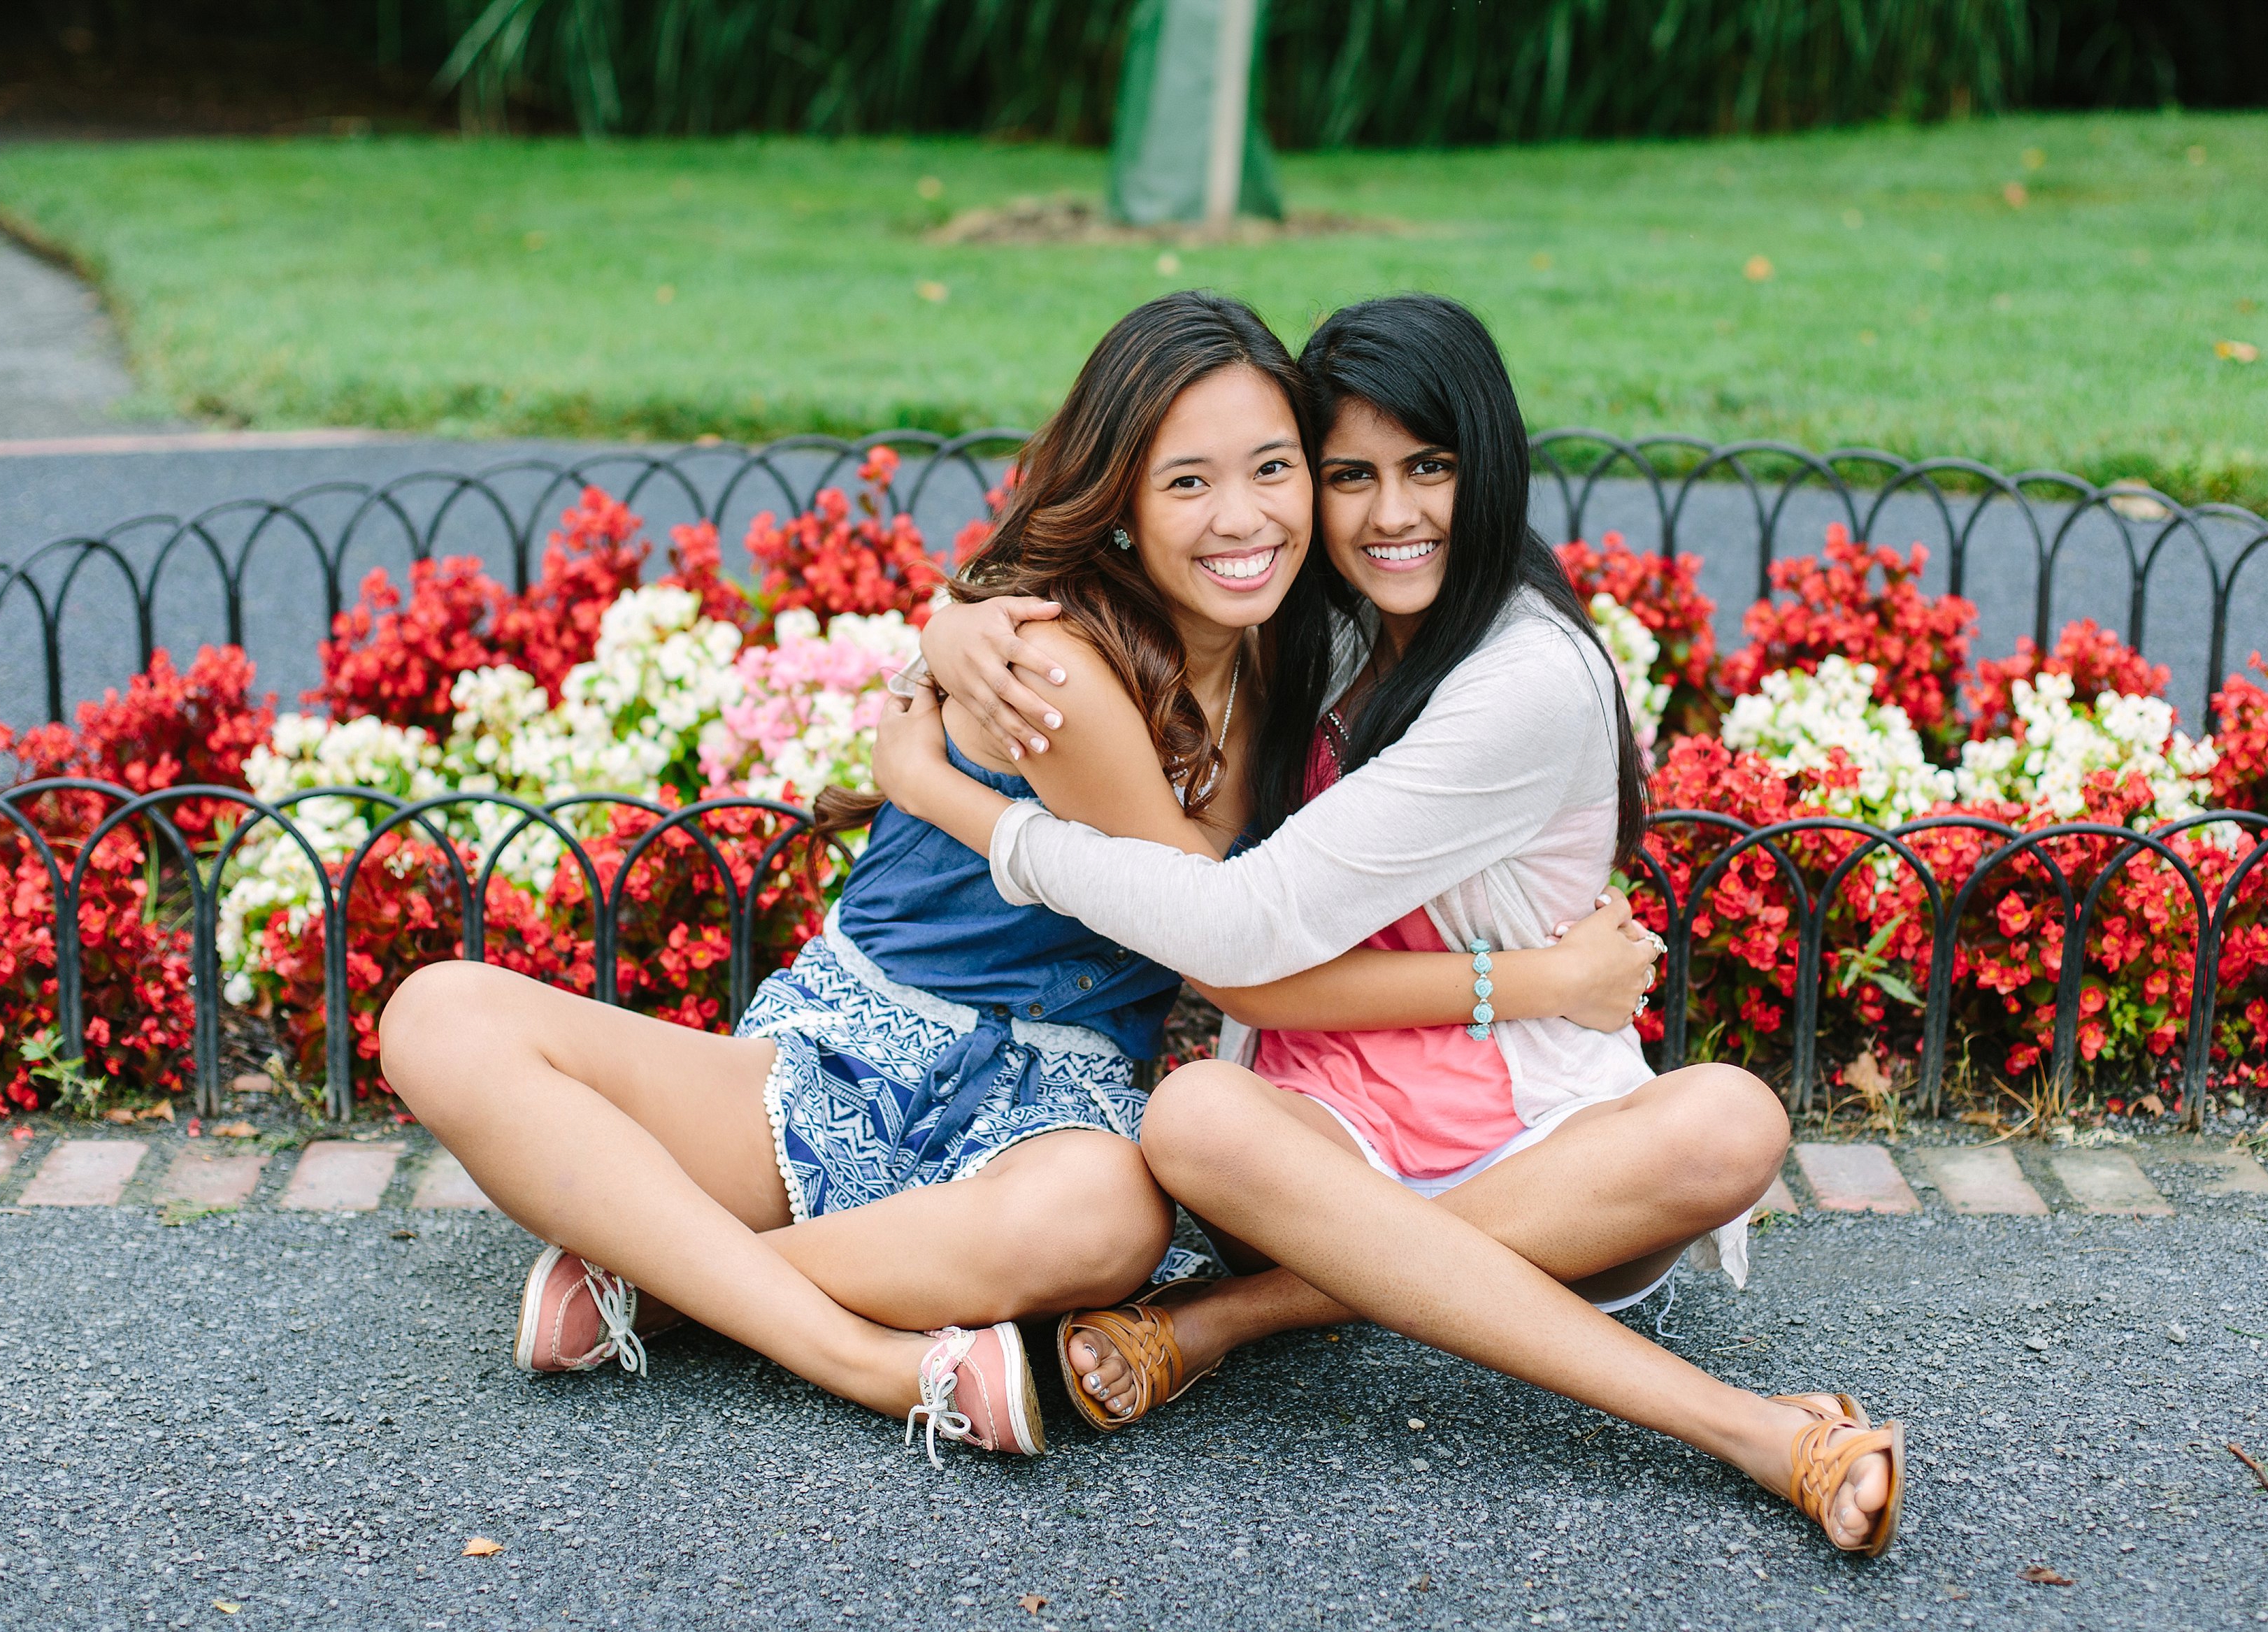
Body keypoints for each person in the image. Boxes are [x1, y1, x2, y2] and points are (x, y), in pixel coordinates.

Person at [377, 291, 1645, 1468]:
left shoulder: (1296, 647)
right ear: (1124, 499)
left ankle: (665, 1282)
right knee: (440, 1014)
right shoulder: (1063, 667)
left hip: (1055, 1103)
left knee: (1111, 1222)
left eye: (1275, 471)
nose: (1246, 516)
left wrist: (946, 641)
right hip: (852, 1053)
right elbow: (1224, 940)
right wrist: (1539, 979)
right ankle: (861, 1357)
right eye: (1188, 481)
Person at [876, 294, 1902, 1553]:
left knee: (1733, 1120)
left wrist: (967, 809)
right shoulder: (1319, 608)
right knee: (1195, 1113)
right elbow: (1245, 959)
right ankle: (1749, 1426)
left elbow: (1242, 938)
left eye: (1432, 467)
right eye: (1349, 475)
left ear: (1493, 465)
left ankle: (1233, 1318)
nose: (1392, 512)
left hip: (1538, 1141)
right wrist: (958, 623)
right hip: (1325, 1128)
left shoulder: (1525, 678)